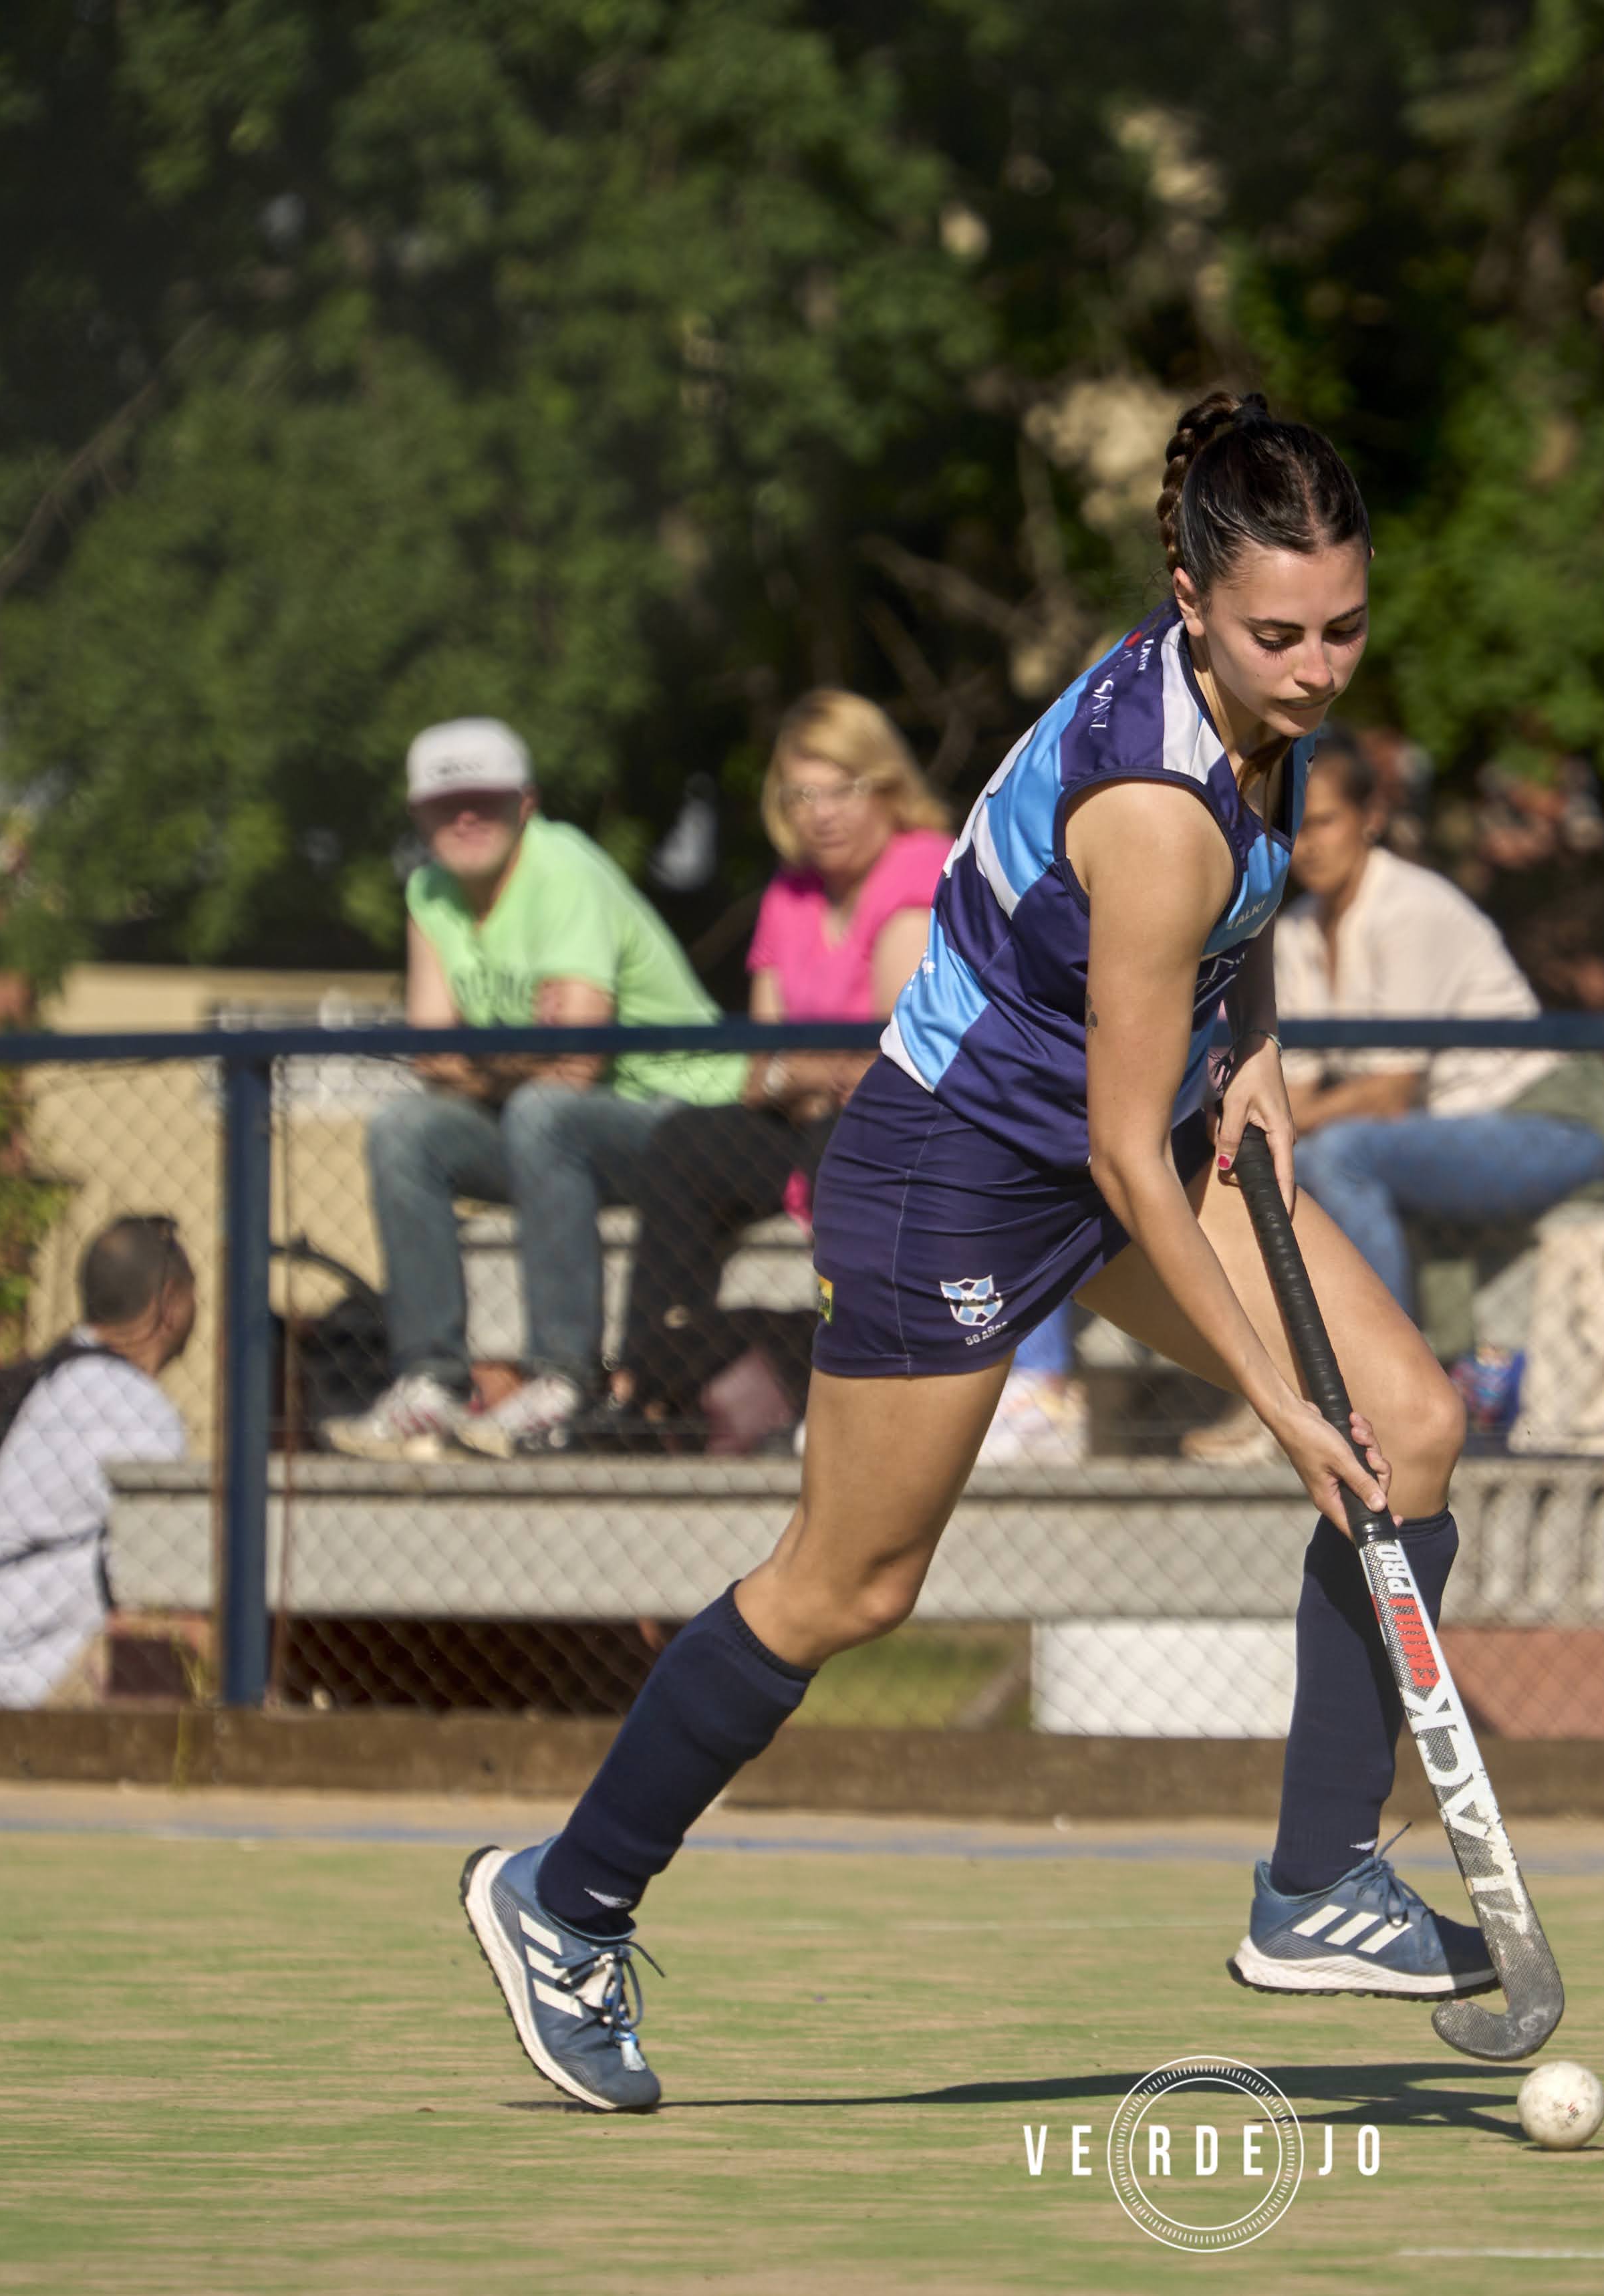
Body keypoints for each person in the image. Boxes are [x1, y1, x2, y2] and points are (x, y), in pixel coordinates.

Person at [458, 392, 1487, 2112]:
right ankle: (564, 1897)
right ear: (1190, 597)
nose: (1319, 669)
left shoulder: (1255, 706)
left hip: (1117, 1126)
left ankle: (1317, 1881)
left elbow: (1227, 929)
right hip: (959, 1169)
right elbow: (1124, 1148)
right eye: (1281, 637)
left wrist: (1257, 1041)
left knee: (1416, 1423)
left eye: (1346, 628)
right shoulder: (1151, 803)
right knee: (848, 1585)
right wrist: (1273, 1408)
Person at [1180, 732, 1604, 1459]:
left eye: (1324, 821)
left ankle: (1382, 1392)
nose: (1307, 844)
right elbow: (1295, 1091)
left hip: (1548, 1123)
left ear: (1371, 817)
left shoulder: (1413, 907)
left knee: (1340, 1154)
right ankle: (1284, 1392)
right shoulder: (1292, 932)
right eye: (1292, 826)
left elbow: (1389, 1094)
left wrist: (1265, 1123)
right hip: (1434, 1139)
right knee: (1272, 1167)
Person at [325, 719, 745, 1462]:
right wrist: (529, 1052)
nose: (465, 817)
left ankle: (562, 1378)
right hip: (556, 1138)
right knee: (405, 1129)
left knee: (545, 1112)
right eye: (445, 803)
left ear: (526, 804)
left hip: (686, 1120)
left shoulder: (565, 868)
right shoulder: (428, 891)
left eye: (485, 800)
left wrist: (492, 1060)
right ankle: (431, 1381)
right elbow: (432, 1056)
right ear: (418, 814)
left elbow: (576, 1065)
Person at [610, 692, 951, 1448]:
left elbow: (893, 1054)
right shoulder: (789, 893)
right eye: (801, 795)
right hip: (800, 1122)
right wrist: (807, 1074)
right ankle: (646, 1379)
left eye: (842, 790)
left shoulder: (923, 868)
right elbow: (761, 1065)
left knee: (844, 1144)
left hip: (904, 1131)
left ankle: (857, 1381)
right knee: (682, 1147)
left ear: (886, 785)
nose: (821, 814)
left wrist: (801, 1073)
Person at [0, 1217, 196, 1707]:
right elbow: (161, 1571)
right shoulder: (135, 1407)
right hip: (26, 1662)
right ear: (171, 1304)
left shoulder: (58, 1378)